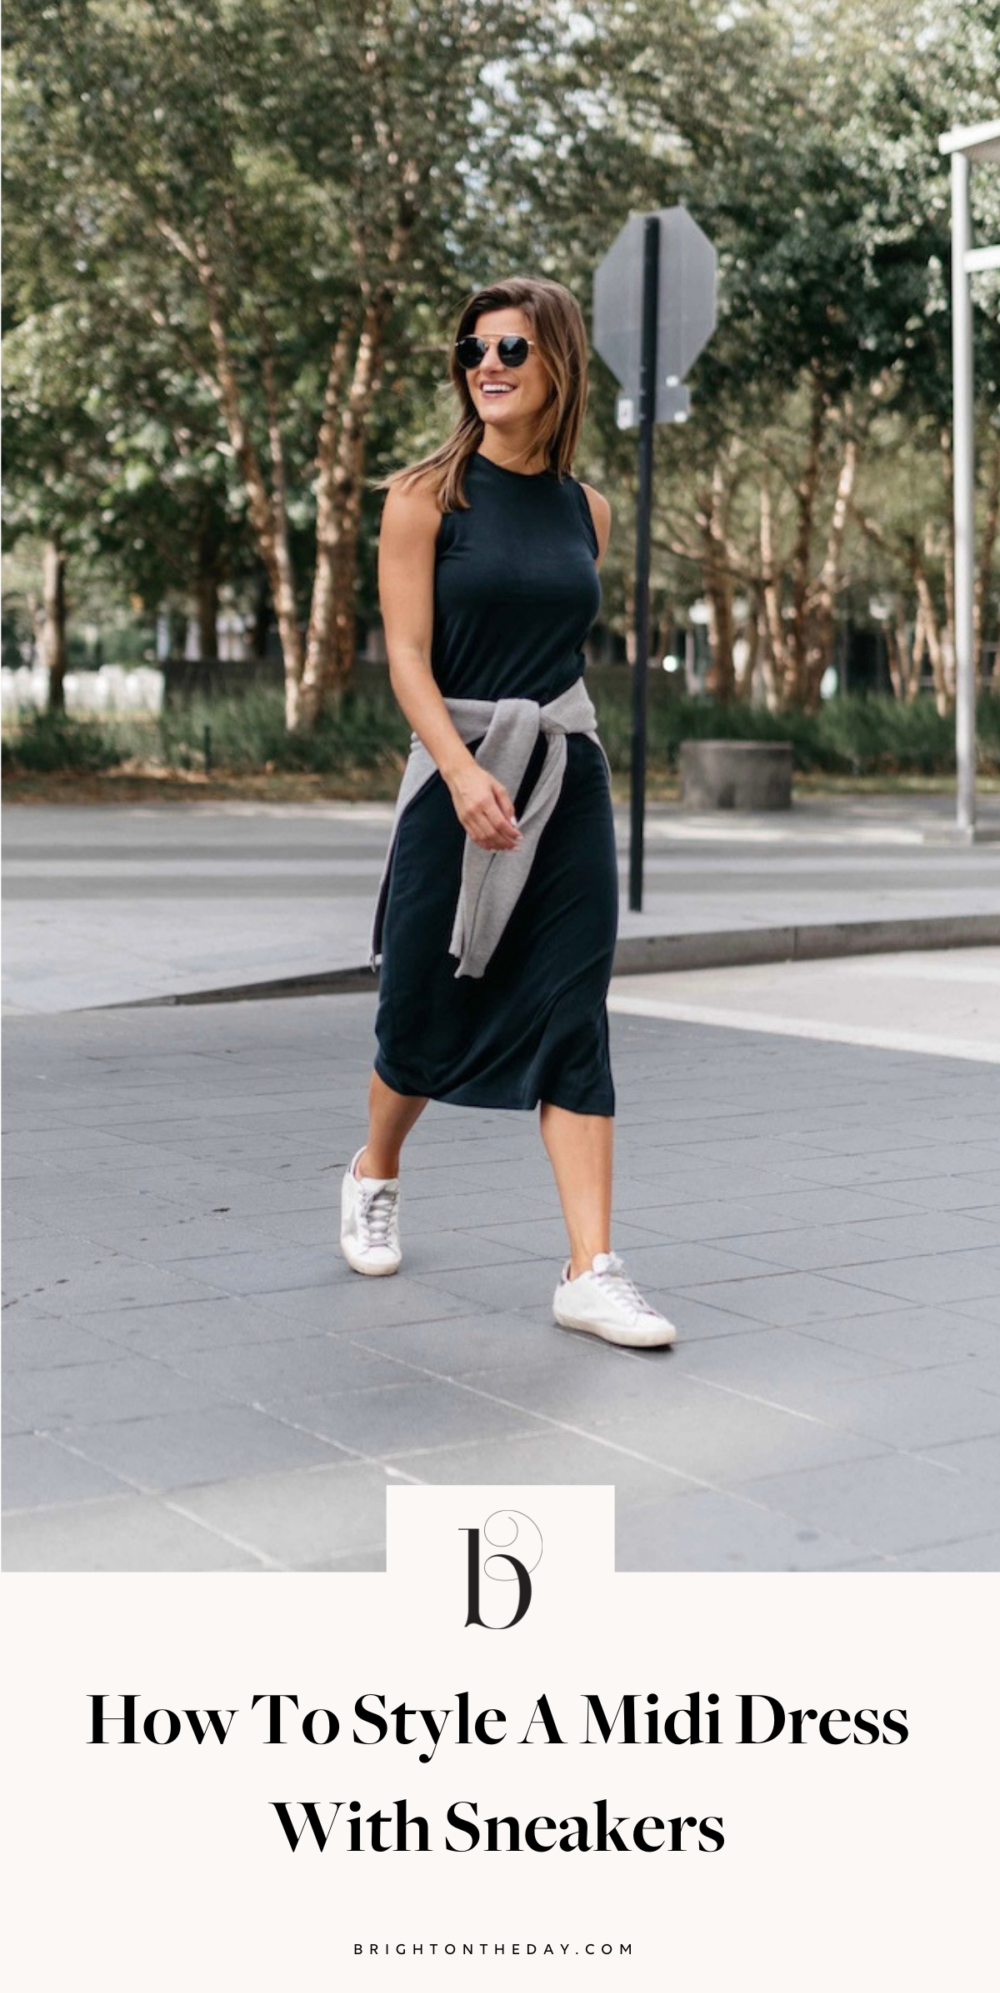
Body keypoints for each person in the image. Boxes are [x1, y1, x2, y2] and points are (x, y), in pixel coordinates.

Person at [340, 275, 677, 1349]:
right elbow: (403, 655)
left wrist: (530, 767)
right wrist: (458, 770)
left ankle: (590, 1266)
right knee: (423, 1006)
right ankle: (374, 1166)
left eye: (511, 350)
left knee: (573, 1008)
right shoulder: (423, 497)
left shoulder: (591, 508)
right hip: (456, 769)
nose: (487, 363)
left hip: (564, 774)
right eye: (474, 347)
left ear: (558, 366)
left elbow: (560, 645)